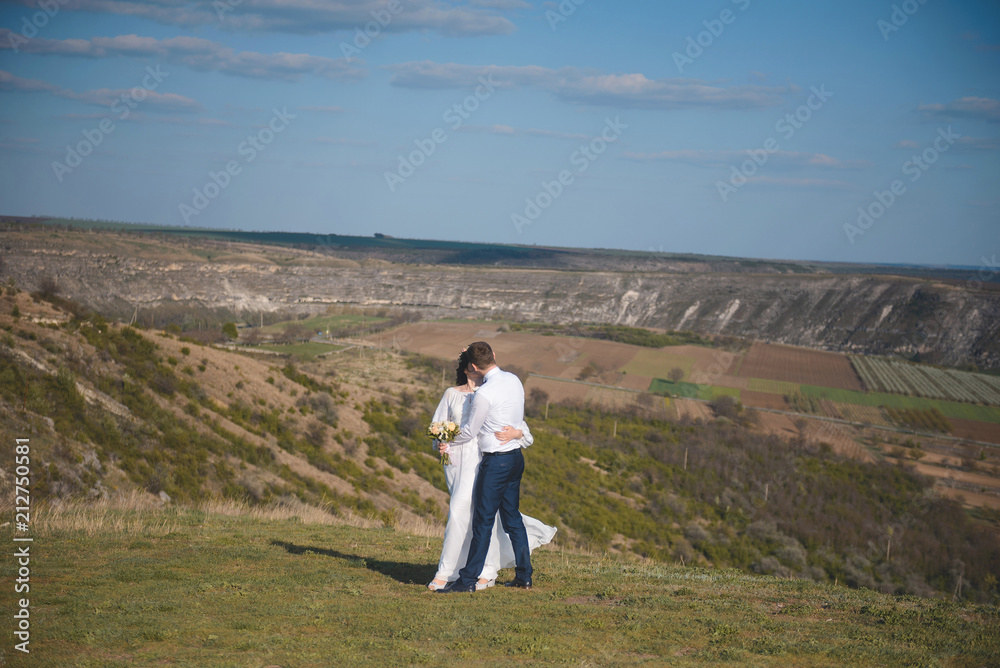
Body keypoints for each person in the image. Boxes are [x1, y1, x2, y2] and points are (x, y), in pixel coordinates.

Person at [428, 348, 556, 591]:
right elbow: (438, 427)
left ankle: (476, 574)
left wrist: (518, 433)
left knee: (484, 518)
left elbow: (516, 429)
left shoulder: (489, 393)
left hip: (488, 461)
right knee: (472, 514)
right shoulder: (458, 393)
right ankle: (456, 570)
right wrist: (441, 442)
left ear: (474, 366)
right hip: (461, 463)